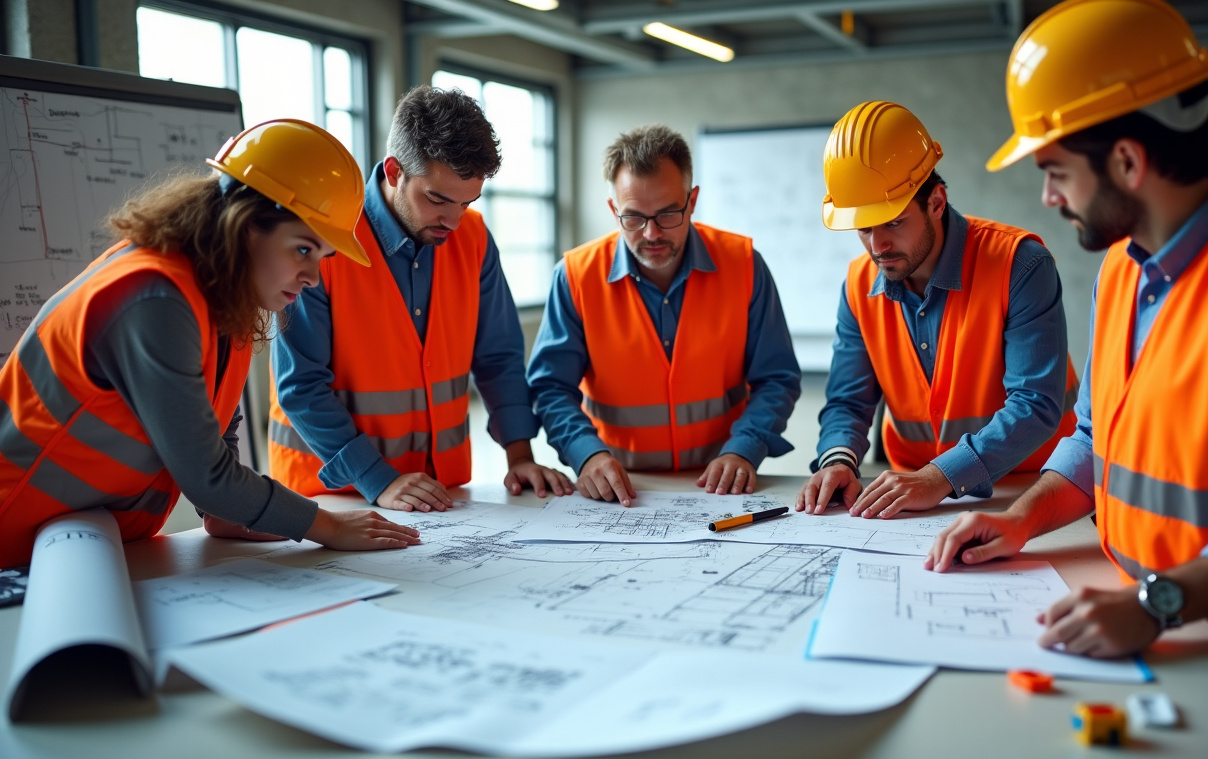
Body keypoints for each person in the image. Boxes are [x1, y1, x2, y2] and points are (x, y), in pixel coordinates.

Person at [925, 0, 1208, 734]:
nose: (1048, 197)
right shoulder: (1121, 270)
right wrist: (1021, 519)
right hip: (1144, 635)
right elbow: (1096, 440)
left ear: (1127, 160)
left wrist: (1156, 604)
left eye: (1055, 171)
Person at [0, 119, 422, 568]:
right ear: (244, 225)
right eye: (303, 249)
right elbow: (207, 475)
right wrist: (328, 526)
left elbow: (217, 424)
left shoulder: (222, 297)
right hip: (15, 543)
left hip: (78, 548)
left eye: (322, 256)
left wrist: (227, 511)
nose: (313, 277)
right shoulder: (153, 296)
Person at [269, 86, 571, 513]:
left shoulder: (474, 238)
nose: (454, 220)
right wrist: (378, 478)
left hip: (438, 496)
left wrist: (519, 454)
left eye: (467, 202)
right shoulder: (324, 239)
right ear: (395, 171)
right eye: (437, 199)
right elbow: (300, 385)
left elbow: (499, 357)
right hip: (332, 499)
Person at [796, 102, 1078, 519]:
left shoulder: (1019, 264)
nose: (877, 246)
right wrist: (839, 459)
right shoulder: (858, 284)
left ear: (937, 202)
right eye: (864, 228)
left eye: (893, 222)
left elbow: (1035, 404)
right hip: (915, 497)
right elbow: (848, 401)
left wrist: (939, 476)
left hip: (1031, 487)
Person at [528, 125, 801, 505]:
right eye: (633, 217)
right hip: (619, 487)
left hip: (719, 482)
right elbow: (551, 387)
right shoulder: (575, 276)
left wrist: (744, 448)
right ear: (613, 210)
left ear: (692, 200)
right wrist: (587, 454)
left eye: (668, 214)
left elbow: (776, 378)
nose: (651, 234)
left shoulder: (744, 265)